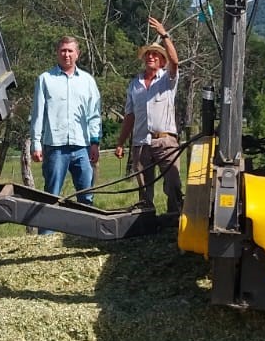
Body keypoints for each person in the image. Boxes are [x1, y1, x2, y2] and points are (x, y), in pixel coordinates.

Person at [111, 16, 183, 214]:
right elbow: (129, 116)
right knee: (144, 189)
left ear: (162, 61)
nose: (151, 57)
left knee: (173, 184)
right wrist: (120, 143)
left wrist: (164, 34)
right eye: (148, 54)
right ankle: (146, 220)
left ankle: (174, 219)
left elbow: (175, 62)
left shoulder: (167, 79)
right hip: (141, 143)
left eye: (155, 55)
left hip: (165, 141)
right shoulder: (135, 85)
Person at [28, 35, 103, 208]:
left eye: (70, 51)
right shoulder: (45, 79)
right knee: (51, 196)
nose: (66, 54)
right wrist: (36, 144)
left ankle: (85, 226)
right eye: (63, 51)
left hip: (82, 147)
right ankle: (48, 226)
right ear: (57, 53)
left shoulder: (87, 81)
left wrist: (95, 142)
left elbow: (94, 115)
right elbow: (38, 114)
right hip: (55, 146)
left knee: (86, 196)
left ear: (77, 54)